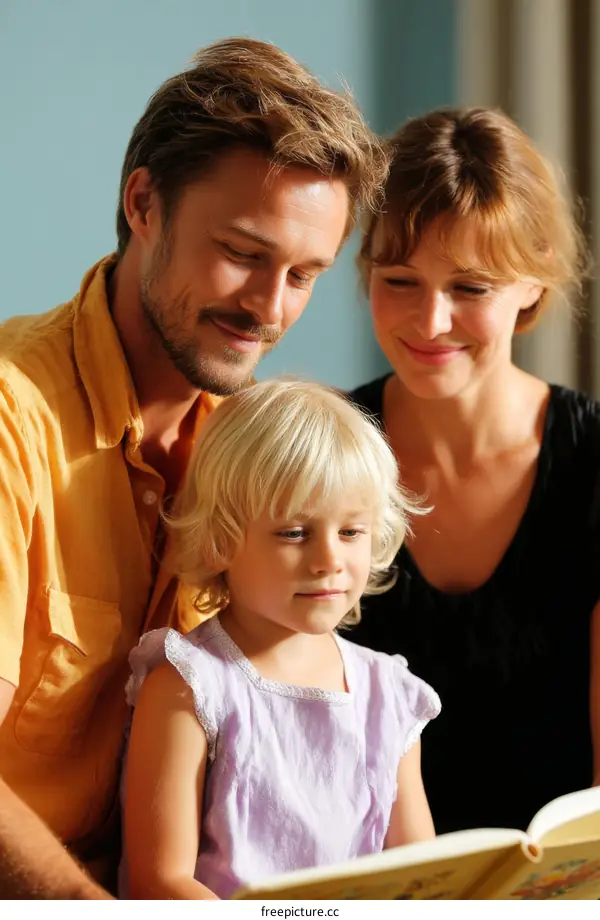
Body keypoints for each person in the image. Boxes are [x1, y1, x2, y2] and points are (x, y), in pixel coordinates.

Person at [0, 38, 388, 899]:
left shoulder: (258, 451)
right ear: (144, 202)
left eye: (304, 274)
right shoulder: (11, 418)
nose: (270, 306)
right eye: (245, 253)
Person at [345, 106, 600, 836]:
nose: (429, 323)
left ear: (533, 280)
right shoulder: (324, 460)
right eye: (399, 280)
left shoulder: (593, 463)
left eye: (471, 287)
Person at [120, 378, 440, 900]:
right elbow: (161, 881)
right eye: (295, 532)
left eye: (351, 532)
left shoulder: (391, 695)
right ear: (222, 540)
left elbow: (422, 875)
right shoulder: (189, 686)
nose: (329, 559)